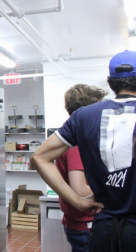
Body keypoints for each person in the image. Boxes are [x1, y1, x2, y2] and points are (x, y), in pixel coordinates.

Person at [31, 50, 136, 252]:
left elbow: (39, 157)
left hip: (102, 229)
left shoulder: (83, 116)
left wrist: (76, 201)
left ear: (111, 82)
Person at [55, 84, 108, 252]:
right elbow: (80, 189)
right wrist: (114, 194)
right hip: (85, 225)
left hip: (80, 223)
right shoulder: (77, 143)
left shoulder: (72, 138)